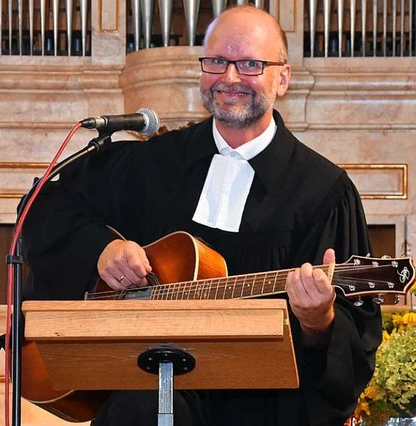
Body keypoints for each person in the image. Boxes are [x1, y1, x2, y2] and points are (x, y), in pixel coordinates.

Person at [21, 5, 382, 426]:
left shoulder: (323, 192)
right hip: (138, 394)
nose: (230, 78)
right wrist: (101, 250)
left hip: (259, 409)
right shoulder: (152, 161)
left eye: (250, 64)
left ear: (282, 78)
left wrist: (320, 322)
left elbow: (354, 342)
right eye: (216, 62)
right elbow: (43, 205)